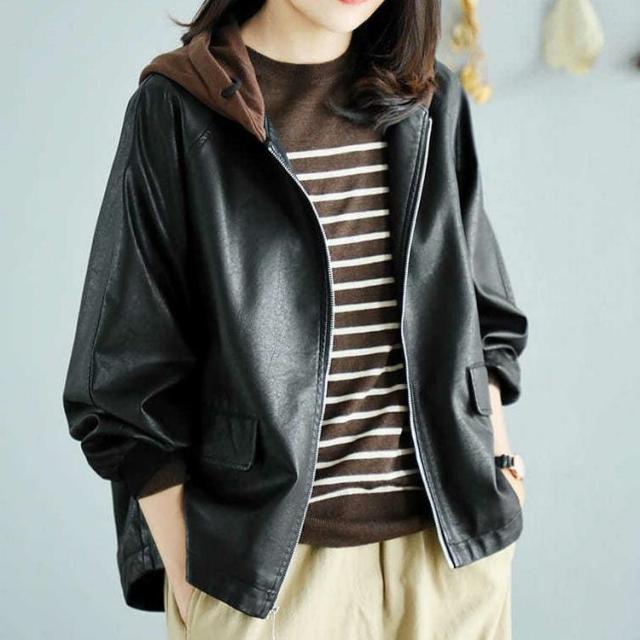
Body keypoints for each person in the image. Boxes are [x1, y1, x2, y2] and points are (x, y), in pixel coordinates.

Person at [62, 1, 529, 638]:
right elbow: (123, 372)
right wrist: (192, 573)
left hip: (450, 560)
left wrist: (499, 462)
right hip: (271, 579)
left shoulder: (428, 99)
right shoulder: (180, 107)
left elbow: (483, 313)